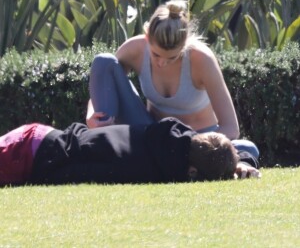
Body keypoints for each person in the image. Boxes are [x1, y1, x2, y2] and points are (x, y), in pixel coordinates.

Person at [87, 0, 260, 159]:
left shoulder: (202, 59)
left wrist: (192, 145)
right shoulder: (135, 49)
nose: (162, 62)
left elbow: (231, 128)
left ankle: (155, 162)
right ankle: (102, 150)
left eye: (171, 58)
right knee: (104, 61)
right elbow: (105, 82)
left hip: (195, 143)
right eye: (155, 55)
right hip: (152, 135)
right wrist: (91, 114)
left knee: (248, 149)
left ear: (184, 45)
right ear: (147, 37)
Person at [0, 117, 260, 186]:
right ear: (192, 172)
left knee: (249, 148)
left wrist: (242, 161)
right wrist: (39, 178)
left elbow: (242, 148)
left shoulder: (173, 133)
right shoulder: (145, 170)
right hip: (32, 155)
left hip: (41, 138)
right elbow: (78, 173)